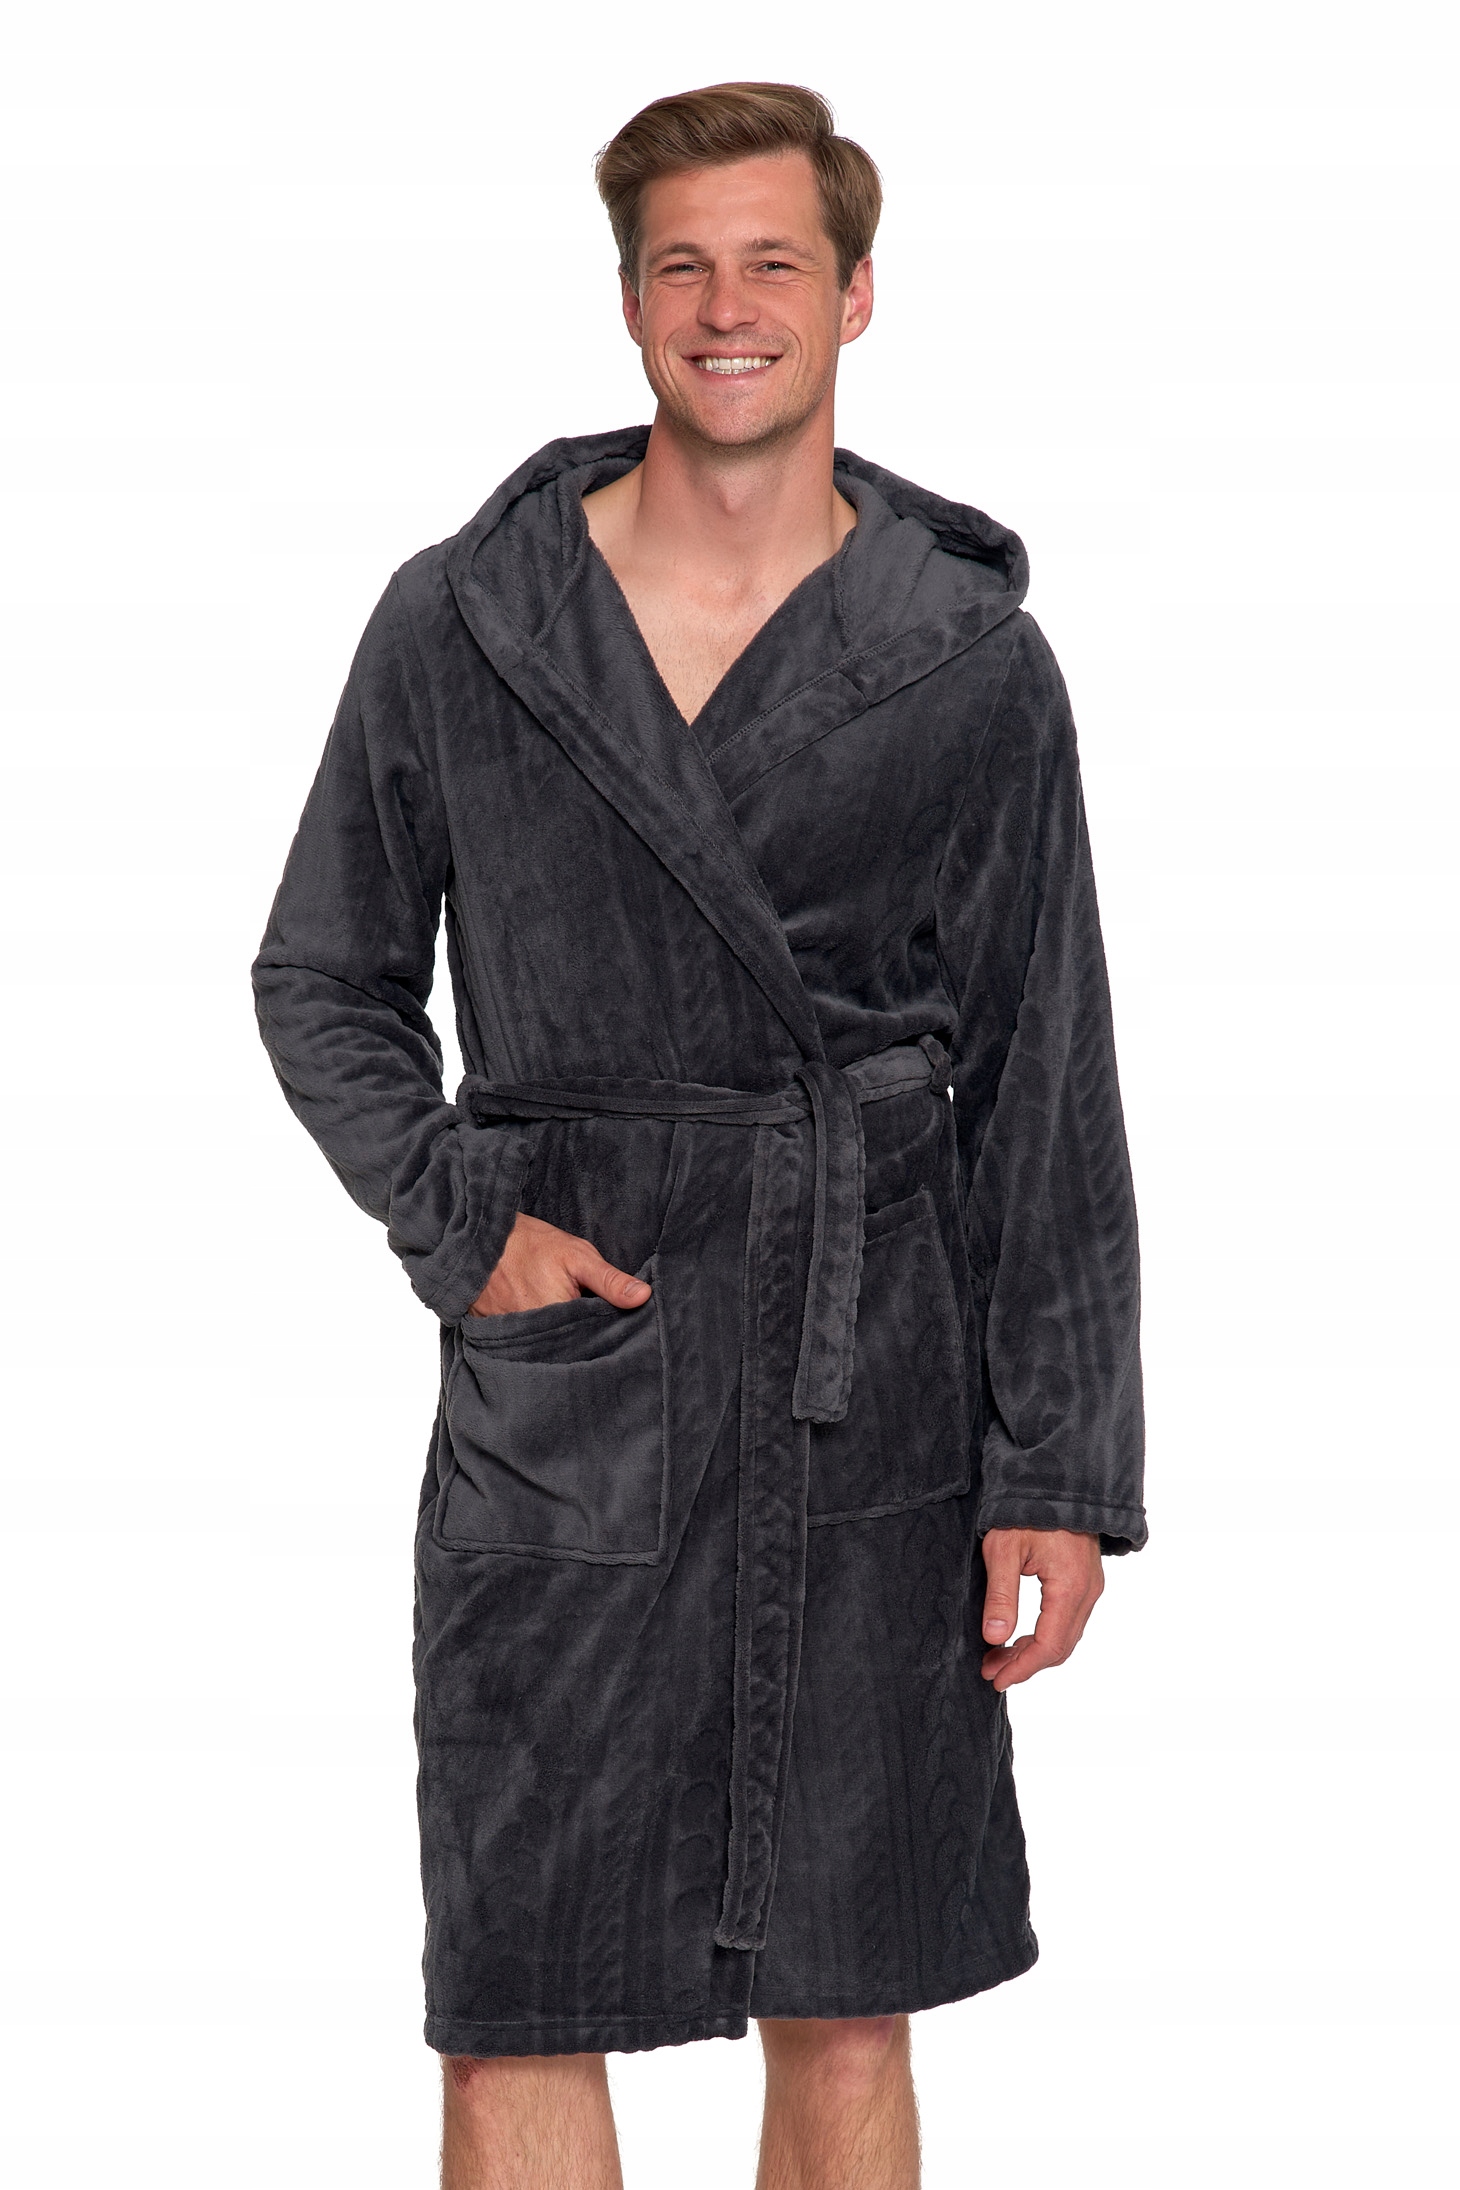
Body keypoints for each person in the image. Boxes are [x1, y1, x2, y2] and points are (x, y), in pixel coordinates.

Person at [252, 80, 1146, 2190]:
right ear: (631, 300)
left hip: (872, 1383)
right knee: (520, 1992)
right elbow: (324, 975)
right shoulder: (468, 623)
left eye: (771, 264)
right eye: (682, 266)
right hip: (581, 1371)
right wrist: (465, 1222)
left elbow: (1045, 1072)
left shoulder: (965, 661)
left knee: (851, 1995)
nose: (726, 307)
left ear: (854, 297)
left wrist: (1055, 1472)